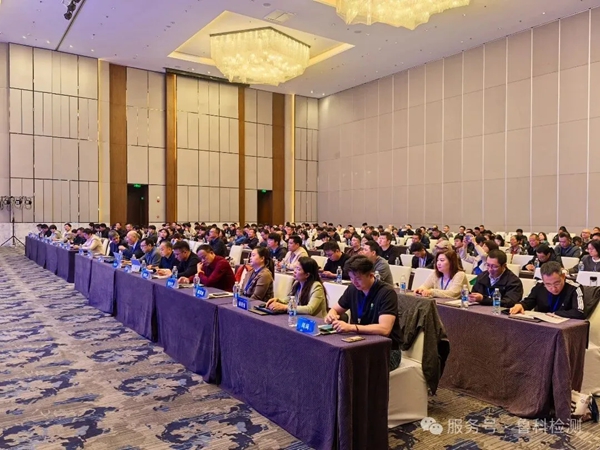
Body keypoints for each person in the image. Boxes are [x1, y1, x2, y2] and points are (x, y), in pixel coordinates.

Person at [324, 255, 402, 371]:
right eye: (351, 278)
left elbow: (384, 329)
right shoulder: (352, 289)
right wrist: (331, 315)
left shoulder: (387, 293)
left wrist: (351, 327)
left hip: (386, 350)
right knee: (330, 358)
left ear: (371, 275)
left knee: (351, 368)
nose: (354, 282)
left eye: (358, 278)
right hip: (358, 344)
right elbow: (335, 309)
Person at [510, 262, 585, 319]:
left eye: (557, 283)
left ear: (563, 276)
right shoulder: (539, 286)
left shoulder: (575, 288)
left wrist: (555, 314)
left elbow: (579, 312)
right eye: (548, 284)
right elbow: (529, 302)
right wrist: (521, 305)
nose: (553, 288)